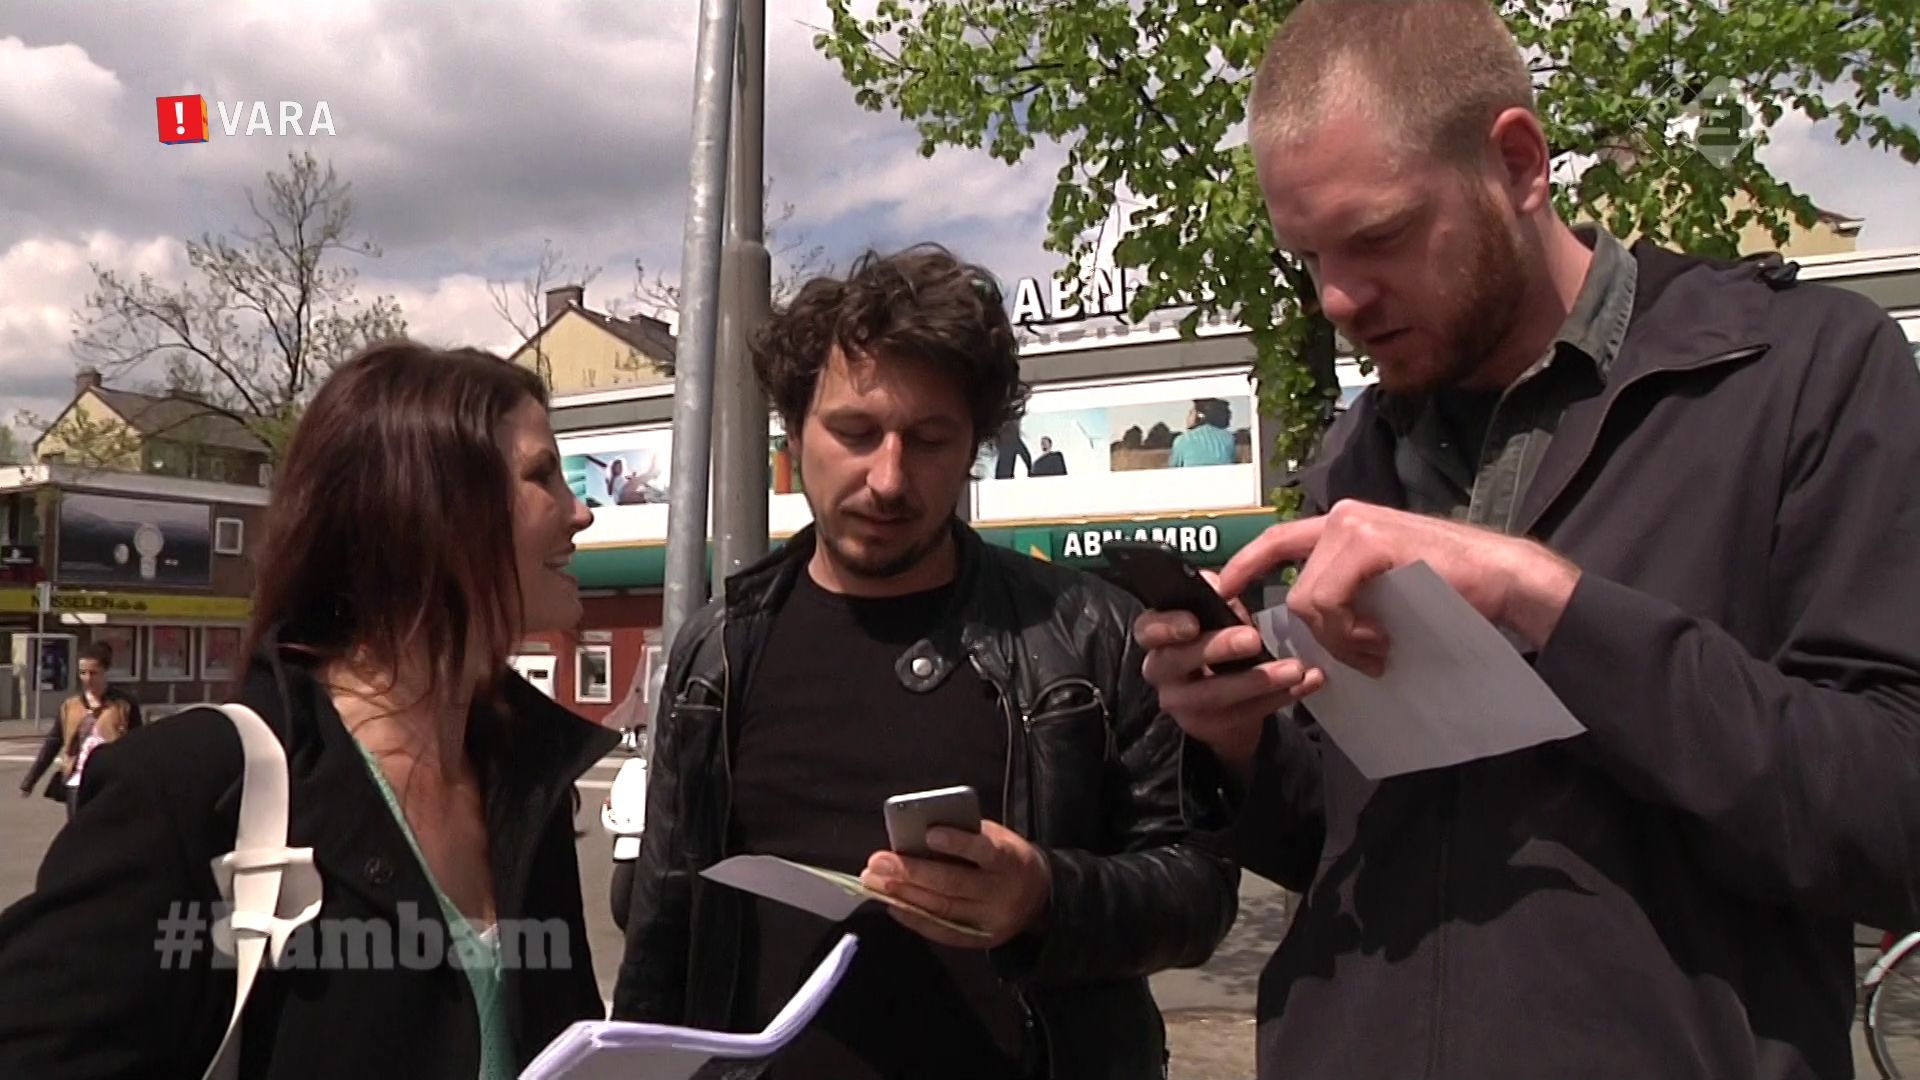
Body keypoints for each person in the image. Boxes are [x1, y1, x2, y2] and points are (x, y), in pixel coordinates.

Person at [1131, 3, 1920, 1078]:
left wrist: (1545, 597)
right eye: (1308, 255)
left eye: (1378, 237)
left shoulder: (1798, 375)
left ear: (1518, 163)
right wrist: (1237, 741)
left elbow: (1889, 819)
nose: (1337, 300)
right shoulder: (1356, 457)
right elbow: (1343, 840)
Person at [612, 245, 1239, 1079]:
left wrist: (1043, 896)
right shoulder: (717, 650)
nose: (888, 478)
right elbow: (665, 924)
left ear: (974, 445)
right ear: (794, 433)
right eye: (855, 433)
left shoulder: (1092, 633)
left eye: (930, 439)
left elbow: (1197, 891)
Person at [0, 341, 616, 1079]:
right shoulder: (194, 790)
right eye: (542, 476)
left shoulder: (529, 789)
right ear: (429, 510)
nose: (581, 512)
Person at [19, 640, 143, 821]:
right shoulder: (71, 706)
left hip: (110, 782)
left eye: (93, 673)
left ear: (105, 671)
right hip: (76, 781)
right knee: (78, 830)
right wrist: (30, 781)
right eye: (83, 673)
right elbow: (53, 743)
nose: (88, 678)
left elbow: (138, 745)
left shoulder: (124, 705)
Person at [1166, 399, 1237, 468]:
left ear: (1199, 416)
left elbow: (1173, 468)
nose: (1187, 417)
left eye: (1190, 413)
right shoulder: (1229, 438)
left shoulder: (1183, 440)